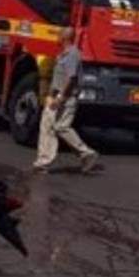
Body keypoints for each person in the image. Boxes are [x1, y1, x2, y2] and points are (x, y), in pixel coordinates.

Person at [33, 28, 99, 174]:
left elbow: (71, 78)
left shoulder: (72, 55)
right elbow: (59, 77)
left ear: (64, 38)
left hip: (66, 97)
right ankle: (43, 162)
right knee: (47, 126)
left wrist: (61, 97)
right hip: (56, 95)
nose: (56, 37)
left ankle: (86, 153)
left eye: (58, 35)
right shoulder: (63, 54)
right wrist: (50, 93)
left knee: (61, 127)